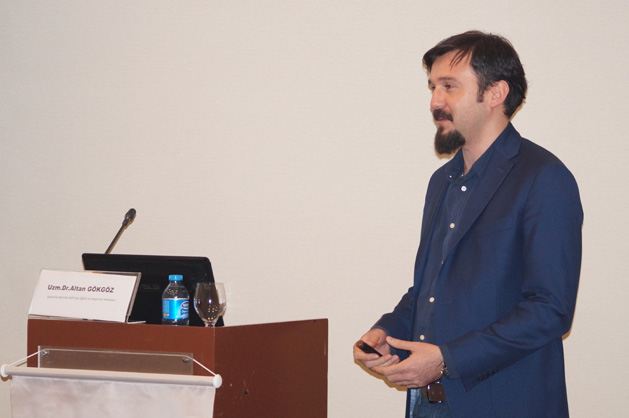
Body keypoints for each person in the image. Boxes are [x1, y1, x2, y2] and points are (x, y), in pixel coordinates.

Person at [353, 31, 583, 418]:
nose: (435, 101)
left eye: (449, 87)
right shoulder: (441, 181)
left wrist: (447, 360)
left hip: (504, 404)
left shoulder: (543, 178)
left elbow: (550, 310)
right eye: (433, 87)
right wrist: (388, 332)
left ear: (495, 93)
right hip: (429, 404)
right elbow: (430, 290)